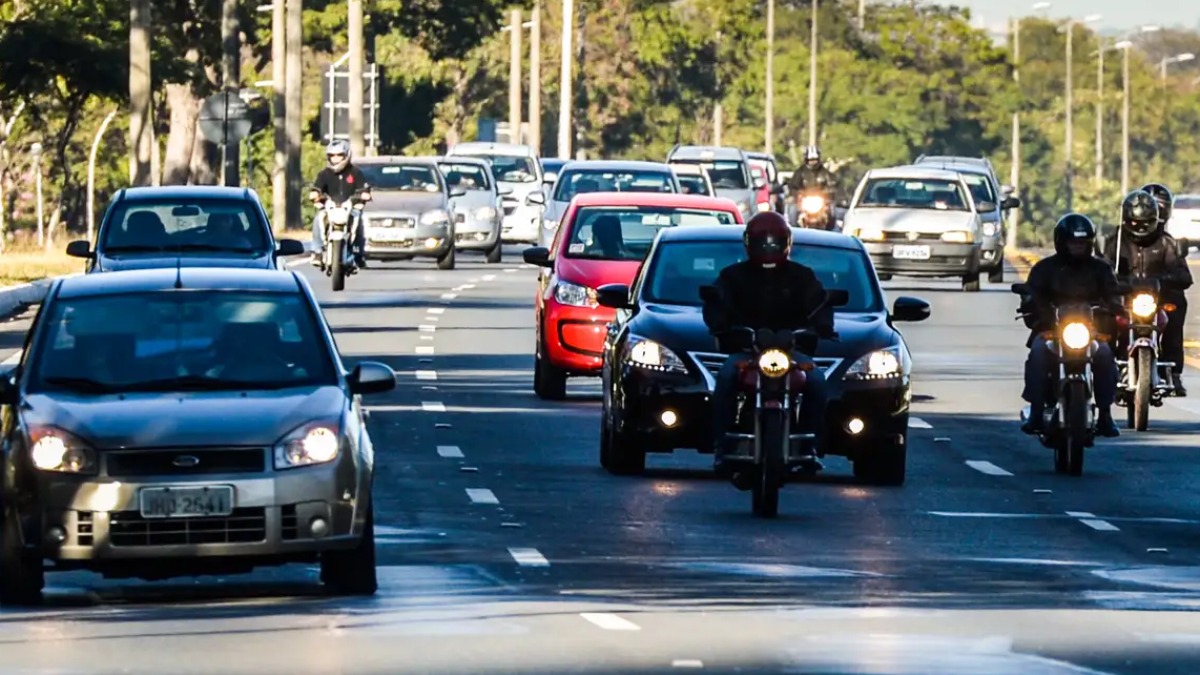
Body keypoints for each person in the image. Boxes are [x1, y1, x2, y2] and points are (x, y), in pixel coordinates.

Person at [702, 211, 834, 479]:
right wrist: (730, 330)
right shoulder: (732, 276)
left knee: (817, 383)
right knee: (726, 377)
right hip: (747, 350)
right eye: (762, 242)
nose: (769, 248)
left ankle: (811, 447)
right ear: (749, 242)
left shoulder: (802, 277)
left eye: (775, 242)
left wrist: (818, 328)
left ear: (786, 243)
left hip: (790, 351)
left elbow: (820, 305)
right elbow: (716, 306)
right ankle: (721, 443)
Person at [1020, 213, 1122, 437]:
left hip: (1090, 332)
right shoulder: (1044, 269)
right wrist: (1038, 314)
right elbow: (1031, 296)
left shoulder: (1101, 269)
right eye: (1073, 243)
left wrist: (1114, 309)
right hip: (1052, 331)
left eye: (1082, 243)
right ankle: (1036, 411)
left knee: (1105, 356)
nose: (1077, 247)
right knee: (1037, 354)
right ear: (1061, 242)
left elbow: (1113, 295)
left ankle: (1105, 413)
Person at [1103, 183, 1192, 395]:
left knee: (1176, 308)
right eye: (1135, 222)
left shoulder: (1165, 243)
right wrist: (1114, 282)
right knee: (1102, 316)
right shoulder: (1115, 242)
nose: (1140, 227)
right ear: (1126, 219)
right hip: (1124, 298)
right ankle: (1105, 366)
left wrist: (1162, 281)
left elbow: (1184, 275)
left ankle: (1174, 371)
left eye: (1146, 223)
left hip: (1156, 299)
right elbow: (1101, 267)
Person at [310, 140, 372, 268]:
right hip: (330, 208)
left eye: (339, 155)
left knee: (358, 220)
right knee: (318, 219)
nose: (335, 158)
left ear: (346, 155)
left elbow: (364, 189)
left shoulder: (355, 173)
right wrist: (315, 195)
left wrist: (364, 195)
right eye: (332, 156)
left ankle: (358, 253)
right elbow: (316, 188)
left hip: (350, 207)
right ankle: (317, 252)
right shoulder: (324, 174)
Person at [786, 146, 837, 228]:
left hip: (821, 200)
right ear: (806, 160)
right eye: (810, 160)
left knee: (832, 210)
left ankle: (830, 228)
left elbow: (832, 183)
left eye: (815, 160)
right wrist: (797, 194)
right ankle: (794, 228)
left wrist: (829, 191)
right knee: (792, 210)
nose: (813, 162)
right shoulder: (800, 172)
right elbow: (793, 185)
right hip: (804, 200)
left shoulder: (825, 173)